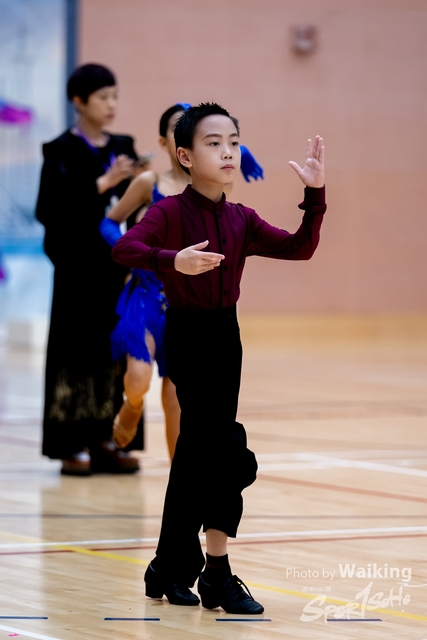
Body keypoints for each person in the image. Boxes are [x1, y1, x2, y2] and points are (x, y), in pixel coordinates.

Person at [111, 102, 326, 613]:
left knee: (196, 454)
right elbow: (124, 249)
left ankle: (168, 564)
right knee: (226, 450)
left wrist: (315, 194)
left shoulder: (241, 218)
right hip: (188, 335)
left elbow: (300, 248)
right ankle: (217, 571)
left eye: (233, 142)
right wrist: (173, 261)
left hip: (228, 337)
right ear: (185, 156)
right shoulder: (168, 212)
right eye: (213, 143)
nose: (228, 152)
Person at [100, 103, 264, 461]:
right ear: (169, 144)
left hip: (186, 301)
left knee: (176, 397)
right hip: (146, 294)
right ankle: (132, 404)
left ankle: (181, 476)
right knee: (138, 378)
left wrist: (242, 150)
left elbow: (226, 149)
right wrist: (134, 252)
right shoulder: (150, 183)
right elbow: (109, 222)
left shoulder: (211, 185)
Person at [36, 63, 142, 476]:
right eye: (103, 97)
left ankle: (108, 439)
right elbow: (48, 210)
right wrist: (101, 184)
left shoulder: (123, 146)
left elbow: (137, 204)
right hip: (77, 271)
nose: (112, 104)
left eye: (115, 96)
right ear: (78, 102)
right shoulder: (60, 149)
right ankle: (71, 443)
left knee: (113, 353)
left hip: (116, 269)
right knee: (75, 354)